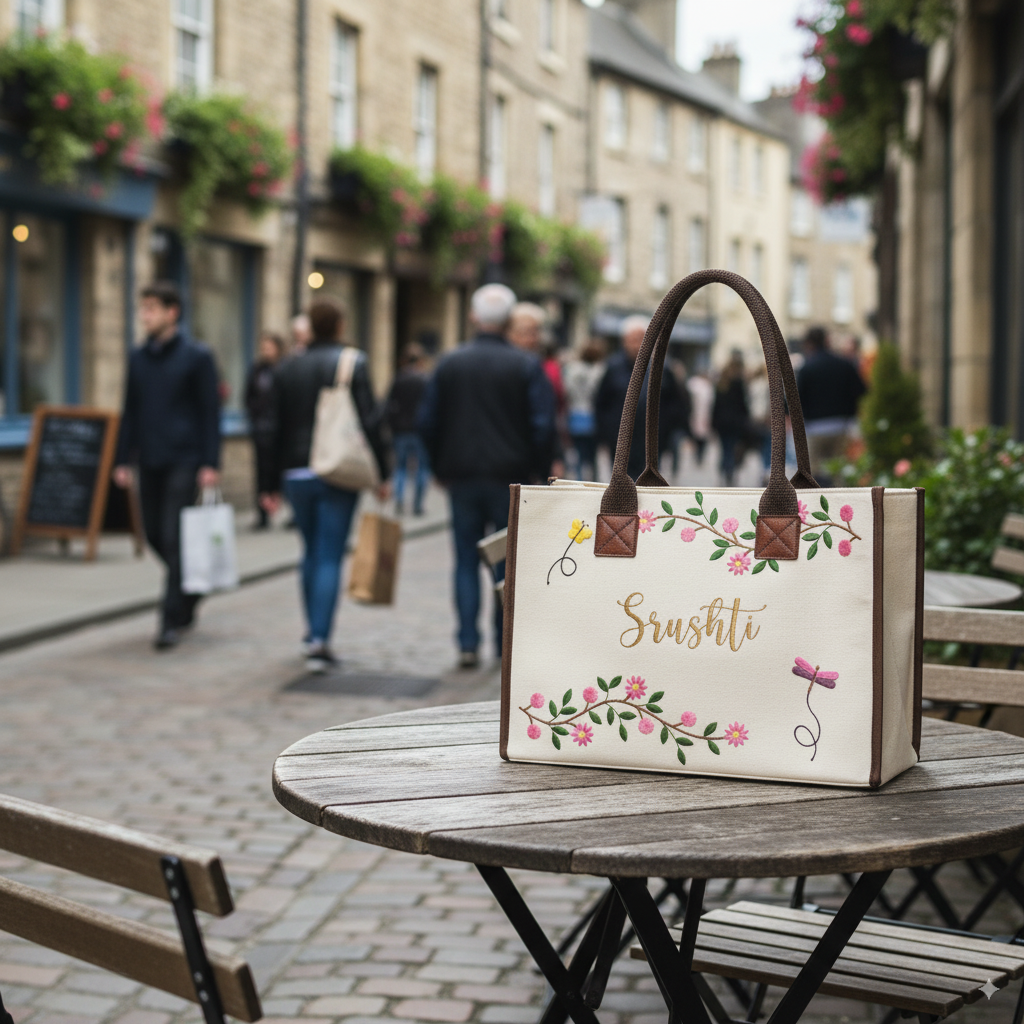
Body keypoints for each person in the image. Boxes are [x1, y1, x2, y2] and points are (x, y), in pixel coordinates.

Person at [419, 283, 556, 669]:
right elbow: (542, 426)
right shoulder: (525, 365)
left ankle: (467, 642)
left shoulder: (449, 362)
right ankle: (502, 644)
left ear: (473, 317)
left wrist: (438, 467)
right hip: (511, 477)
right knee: (507, 563)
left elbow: (427, 422)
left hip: (461, 476)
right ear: (509, 320)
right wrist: (540, 473)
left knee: (464, 559)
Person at [261, 299, 390, 673]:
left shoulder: (287, 368)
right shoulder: (353, 363)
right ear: (338, 325)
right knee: (330, 553)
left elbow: (270, 428)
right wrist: (382, 474)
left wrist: (267, 483)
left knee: (309, 552)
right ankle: (319, 639)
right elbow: (370, 422)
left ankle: (309, 633)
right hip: (337, 470)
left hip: (296, 473)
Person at [113, 281, 221, 650]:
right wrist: (122, 458)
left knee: (174, 538)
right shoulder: (138, 358)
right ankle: (190, 594)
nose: (145, 316)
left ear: (172, 312)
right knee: (155, 536)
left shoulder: (197, 356)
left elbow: (210, 413)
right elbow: (129, 411)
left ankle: (168, 619)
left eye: (152, 309)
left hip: (185, 459)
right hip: (150, 458)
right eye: (143, 309)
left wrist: (210, 462)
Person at [594, 315, 685, 480]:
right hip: (620, 440)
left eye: (642, 339)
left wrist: (667, 432)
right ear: (624, 341)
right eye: (633, 339)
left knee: (647, 483)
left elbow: (676, 403)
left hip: (652, 441)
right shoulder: (613, 367)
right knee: (622, 483)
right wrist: (606, 433)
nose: (638, 345)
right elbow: (601, 403)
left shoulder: (663, 367)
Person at [797, 325, 867, 478]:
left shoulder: (806, 368)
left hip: (814, 427)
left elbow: (795, 399)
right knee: (838, 473)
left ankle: (815, 501)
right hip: (841, 425)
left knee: (813, 475)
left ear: (809, 344)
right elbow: (862, 390)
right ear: (827, 341)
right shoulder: (844, 365)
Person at [245, 331, 285, 529]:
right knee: (262, 472)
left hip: (281, 431)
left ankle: (283, 507)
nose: (266, 351)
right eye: (263, 348)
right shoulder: (257, 370)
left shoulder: (284, 368)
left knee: (279, 471)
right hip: (261, 429)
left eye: (269, 347)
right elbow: (249, 396)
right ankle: (262, 515)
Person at [385, 342, 430, 516]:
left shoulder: (399, 379)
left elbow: (389, 406)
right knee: (422, 469)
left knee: (401, 468)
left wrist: (392, 426)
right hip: (420, 432)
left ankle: (399, 502)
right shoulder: (425, 380)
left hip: (401, 432)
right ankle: (418, 505)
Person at [562, 338, 606, 481]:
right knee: (593, 456)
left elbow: (566, 391)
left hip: (576, 414)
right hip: (594, 416)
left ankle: (580, 481)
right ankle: (594, 483)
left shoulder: (572, 369)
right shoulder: (601, 371)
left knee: (579, 453)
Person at [711, 349, 751, 486]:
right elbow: (743, 405)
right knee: (732, 447)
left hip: (722, 422)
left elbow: (715, 405)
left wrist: (713, 423)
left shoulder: (721, 384)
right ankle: (729, 472)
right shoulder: (738, 383)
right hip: (735, 422)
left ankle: (724, 471)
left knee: (724, 448)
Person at [687, 369, 714, 466]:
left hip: (702, 414)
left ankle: (699, 455)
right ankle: (698, 455)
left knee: (700, 436)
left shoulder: (703, 386)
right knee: (699, 437)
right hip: (698, 414)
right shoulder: (703, 386)